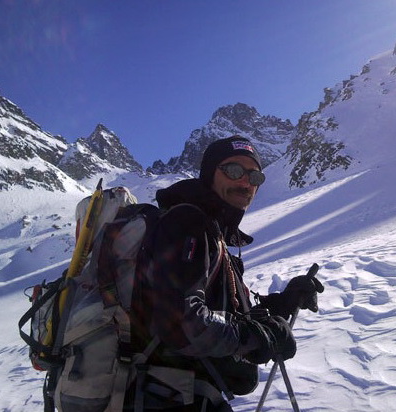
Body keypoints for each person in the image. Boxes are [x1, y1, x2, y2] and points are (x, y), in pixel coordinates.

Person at [130, 135, 324, 411]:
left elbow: (227, 312)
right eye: (233, 170)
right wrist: (257, 336)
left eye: (255, 176)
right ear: (209, 174)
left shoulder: (211, 230)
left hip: (183, 394)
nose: (245, 183)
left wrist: (283, 303)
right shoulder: (187, 224)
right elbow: (180, 323)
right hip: (163, 398)